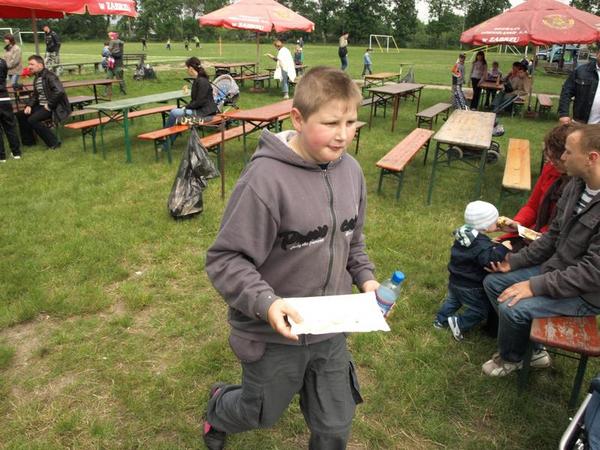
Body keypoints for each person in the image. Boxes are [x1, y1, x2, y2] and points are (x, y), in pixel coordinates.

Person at [203, 66, 378, 450]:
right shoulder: (264, 180)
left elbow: (352, 238)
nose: (343, 134)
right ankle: (219, 406)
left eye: (351, 122)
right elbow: (226, 259)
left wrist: (366, 279)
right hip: (272, 334)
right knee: (259, 413)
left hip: (330, 329)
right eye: (331, 123)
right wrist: (267, 303)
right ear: (297, 119)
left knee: (335, 424)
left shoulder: (351, 172)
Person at [482, 123, 600, 377]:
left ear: (591, 158)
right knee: (494, 283)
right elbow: (552, 236)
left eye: (569, 152)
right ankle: (533, 351)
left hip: (587, 294)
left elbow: (592, 273)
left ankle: (512, 358)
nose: (562, 157)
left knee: (511, 306)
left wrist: (535, 286)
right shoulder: (576, 184)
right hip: (557, 269)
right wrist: (515, 261)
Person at [433, 201, 511, 341]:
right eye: (495, 221)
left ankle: (440, 320)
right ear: (485, 226)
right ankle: (459, 323)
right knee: (480, 310)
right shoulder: (481, 244)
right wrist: (503, 248)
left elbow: (473, 250)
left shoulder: (465, 234)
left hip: (455, 279)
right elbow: (489, 260)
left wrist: (489, 243)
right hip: (471, 285)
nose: (497, 223)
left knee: (453, 301)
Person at [497, 124, 572, 251]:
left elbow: (554, 237)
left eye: (556, 159)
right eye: (549, 157)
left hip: (548, 247)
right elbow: (532, 206)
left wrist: (523, 231)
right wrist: (518, 223)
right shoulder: (551, 169)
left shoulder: (578, 187)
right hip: (532, 235)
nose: (551, 162)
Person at [164, 57, 217, 145]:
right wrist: (186, 107)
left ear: (191, 68)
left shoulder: (201, 81)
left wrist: (186, 107)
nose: (187, 70)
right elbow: (196, 101)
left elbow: (200, 102)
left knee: (174, 113)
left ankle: (164, 137)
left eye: (187, 68)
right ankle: (167, 142)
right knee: (179, 120)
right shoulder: (199, 80)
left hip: (205, 116)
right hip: (202, 112)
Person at [23, 55, 70, 150]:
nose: (29, 67)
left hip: (55, 107)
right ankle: (29, 142)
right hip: (42, 106)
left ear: (40, 65)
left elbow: (59, 91)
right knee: (21, 115)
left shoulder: (50, 76)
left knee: (33, 120)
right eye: (29, 64)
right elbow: (35, 95)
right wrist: (29, 105)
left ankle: (54, 143)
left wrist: (49, 105)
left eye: (32, 64)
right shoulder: (37, 77)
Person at [558, 57, 600, 125]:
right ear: (597, 54)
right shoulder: (581, 71)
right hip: (579, 123)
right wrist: (563, 114)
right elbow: (566, 92)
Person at [0, 56, 21, 162]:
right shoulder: (2, 62)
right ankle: (16, 153)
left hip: (3, 96)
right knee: (10, 126)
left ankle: (1, 157)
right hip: (4, 97)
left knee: (9, 126)